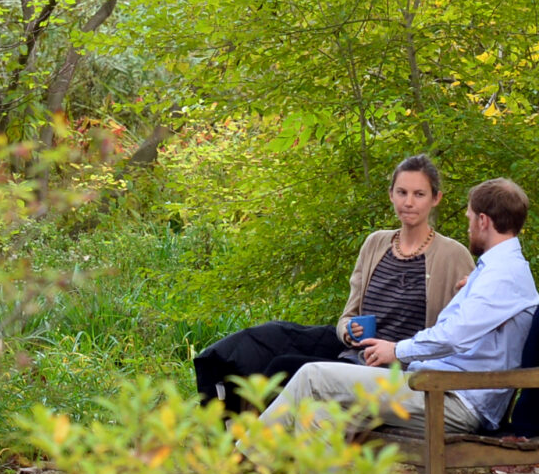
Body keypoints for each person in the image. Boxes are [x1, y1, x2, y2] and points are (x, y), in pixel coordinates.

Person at [258, 176, 539, 474]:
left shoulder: (501, 275)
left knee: (313, 375)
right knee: (317, 412)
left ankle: (243, 463)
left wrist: (397, 350)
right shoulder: (497, 272)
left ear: (483, 220)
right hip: (440, 387)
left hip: (453, 401)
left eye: (469, 217)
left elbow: (452, 337)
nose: (468, 224)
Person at [193, 155, 475, 414]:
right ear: (391, 194)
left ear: (435, 199)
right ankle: (236, 437)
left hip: (400, 370)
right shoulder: (375, 244)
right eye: (401, 192)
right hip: (354, 355)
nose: (408, 202)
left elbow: (462, 330)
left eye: (419, 194)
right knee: (262, 348)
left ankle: (259, 454)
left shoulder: (453, 255)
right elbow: (347, 316)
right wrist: (349, 331)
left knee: (286, 368)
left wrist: (400, 348)